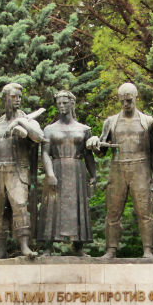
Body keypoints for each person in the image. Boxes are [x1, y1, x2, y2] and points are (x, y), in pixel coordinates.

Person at [87, 82, 153, 258]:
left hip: (141, 167)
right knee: (112, 211)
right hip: (118, 167)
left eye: (128, 100)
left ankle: (148, 250)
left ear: (136, 98)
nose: (125, 104)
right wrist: (95, 143)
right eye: (122, 101)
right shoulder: (111, 122)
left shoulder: (148, 121)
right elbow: (102, 151)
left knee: (145, 211)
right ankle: (111, 249)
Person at [0, 82, 44, 258]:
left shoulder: (28, 120)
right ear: (5, 98)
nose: (17, 100)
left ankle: (24, 246)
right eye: (13, 96)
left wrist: (21, 123)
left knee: (20, 206)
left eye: (19, 97)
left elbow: (40, 137)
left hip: (17, 170)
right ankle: (1, 249)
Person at [37, 90, 96, 255]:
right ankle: (48, 247)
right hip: (56, 168)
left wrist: (94, 175)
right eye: (59, 103)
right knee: (52, 207)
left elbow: (88, 155)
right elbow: (45, 153)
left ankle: (78, 246)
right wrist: (49, 173)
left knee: (78, 206)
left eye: (65, 103)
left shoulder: (84, 129)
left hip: (77, 170)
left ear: (72, 104)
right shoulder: (49, 129)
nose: (62, 106)